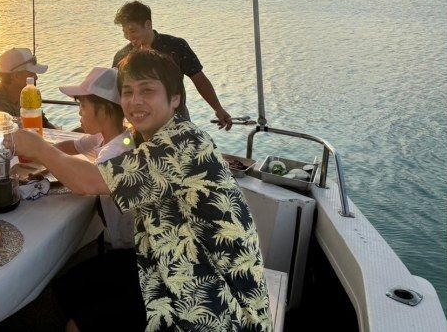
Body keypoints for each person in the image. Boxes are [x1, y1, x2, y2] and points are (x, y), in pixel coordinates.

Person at [15, 50, 271, 332]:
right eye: (128, 92)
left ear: (175, 99)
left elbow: (88, 181)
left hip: (211, 295)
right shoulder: (146, 137)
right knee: (69, 286)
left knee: (79, 324)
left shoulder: (184, 144)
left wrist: (38, 146)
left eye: (147, 91)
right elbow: (100, 152)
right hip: (164, 259)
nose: (135, 101)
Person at [112, 0, 233, 129]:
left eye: (133, 31)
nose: (129, 36)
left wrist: (218, 108)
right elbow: (114, 94)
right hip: (139, 122)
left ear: (148, 24)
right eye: (125, 32)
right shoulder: (122, 56)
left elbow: (199, 79)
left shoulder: (176, 46)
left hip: (177, 120)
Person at [54, 66, 135, 249]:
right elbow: (72, 146)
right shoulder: (106, 136)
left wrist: (39, 152)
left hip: (129, 251)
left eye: (83, 105)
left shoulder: (116, 152)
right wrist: (43, 151)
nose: (79, 112)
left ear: (105, 110)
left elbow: (81, 184)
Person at [0, 47, 54, 129]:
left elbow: (43, 122)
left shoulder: (26, 95)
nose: (36, 78)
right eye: (31, 74)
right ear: (16, 76)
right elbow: (9, 138)